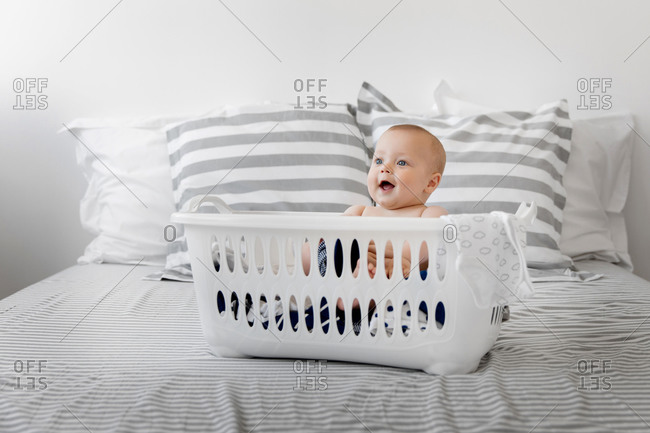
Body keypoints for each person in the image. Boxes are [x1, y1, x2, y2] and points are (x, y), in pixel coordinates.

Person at [302, 124, 448, 314]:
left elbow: (435, 244)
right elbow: (333, 240)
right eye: (379, 161)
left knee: (400, 280)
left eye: (401, 163)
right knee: (311, 249)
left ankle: (353, 296)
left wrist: (399, 261)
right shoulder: (359, 212)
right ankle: (347, 292)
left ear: (430, 182)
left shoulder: (429, 214)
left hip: (395, 281)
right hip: (350, 268)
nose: (385, 169)